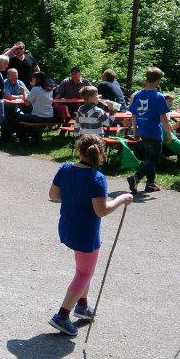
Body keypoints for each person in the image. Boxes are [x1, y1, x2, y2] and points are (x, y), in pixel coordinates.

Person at [48, 134, 134, 336]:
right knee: (84, 274)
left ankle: (82, 305)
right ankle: (62, 315)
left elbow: (53, 195)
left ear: (79, 150)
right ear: (100, 154)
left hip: (67, 226)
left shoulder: (65, 168)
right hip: (86, 233)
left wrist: (73, 196)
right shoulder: (97, 178)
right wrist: (122, 199)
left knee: (82, 269)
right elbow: (101, 210)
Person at [126, 67, 171, 194]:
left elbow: (134, 115)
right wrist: (168, 134)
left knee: (149, 158)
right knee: (154, 159)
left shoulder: (137, 94)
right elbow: (163, 119)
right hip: (154, 132)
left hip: (142, 131)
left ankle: (150, 184)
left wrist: (135, 132)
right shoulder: (158, 96)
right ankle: (136, 177)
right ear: (158, 80)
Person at [18, 72, 56, 143]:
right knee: (28, 115)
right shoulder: (49, 89)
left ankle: (23, 139)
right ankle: (33, 135)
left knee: (17, 116)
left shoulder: (35, 89)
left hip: (39, 117)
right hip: (50, 117)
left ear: (38, 80)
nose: (32, 78)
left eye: (33, 77)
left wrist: (23, 92)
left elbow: (26, 103)